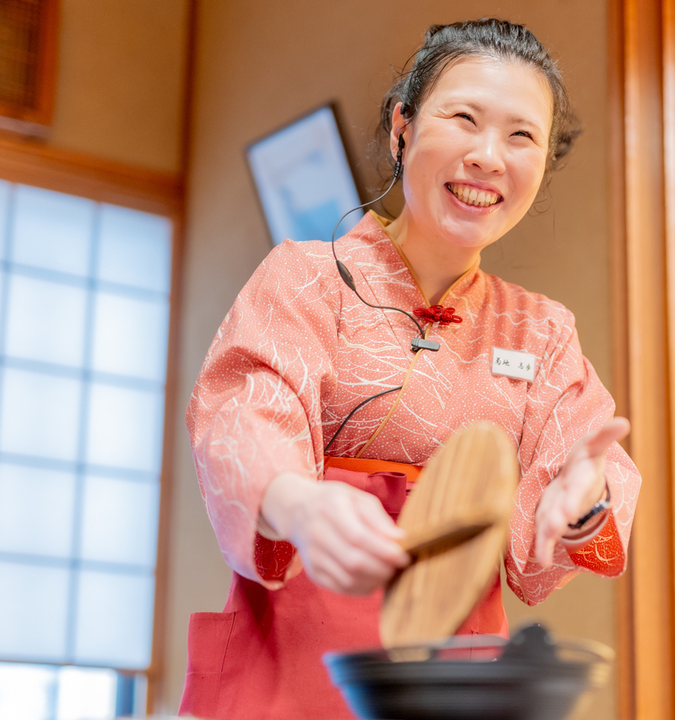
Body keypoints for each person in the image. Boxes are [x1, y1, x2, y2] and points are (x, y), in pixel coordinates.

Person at [180, 18, 642, 720]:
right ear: (403, 126)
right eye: (464, 119)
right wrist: (299, 506)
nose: (489, 156)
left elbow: (583, 475)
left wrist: (581, 506)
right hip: (292, 664)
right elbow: (247, 411)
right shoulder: (307, 278)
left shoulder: (543, 334)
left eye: (522, 136)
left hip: (453, 680)